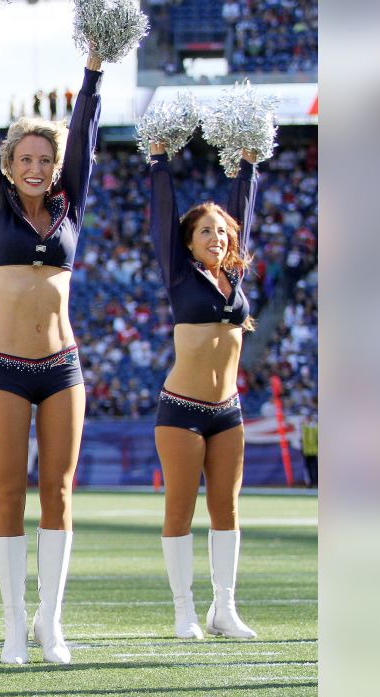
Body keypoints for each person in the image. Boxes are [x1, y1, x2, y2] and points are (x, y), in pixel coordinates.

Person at [0, 32, 103, 664]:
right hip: (7, 368)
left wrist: (94, 68)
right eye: (26, 159)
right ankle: (14, 624)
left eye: (47, 158)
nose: (38, 168)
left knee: (60, 492)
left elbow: (87, 131)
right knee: (9, 492)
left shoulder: (71, 206)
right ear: (10, 164)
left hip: (63, 366)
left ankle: (52, 620)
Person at [148, 141, 261, 640]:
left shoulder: (233, 277)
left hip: (227, 411)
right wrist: (158, 162)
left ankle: (225, 610)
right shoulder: (178, 272)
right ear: (188, 241)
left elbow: (242, 213)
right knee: (180, 506)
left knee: (227, 508)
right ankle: (183, 611)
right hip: (182, 410)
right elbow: (163, 213)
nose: (216, 237)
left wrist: (248, 164)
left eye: (220, 231)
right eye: (205, 231)